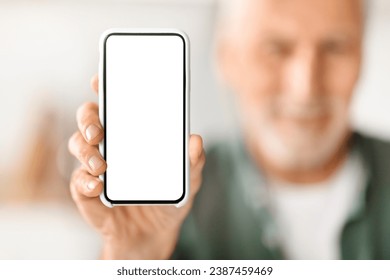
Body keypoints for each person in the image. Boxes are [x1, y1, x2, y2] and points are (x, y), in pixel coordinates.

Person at [68, 0, 390, 259]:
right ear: (226, 59)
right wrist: (134, 258)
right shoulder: (170, 205)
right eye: (276, 48)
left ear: (363, 56)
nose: (305, 88)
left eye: (335, 47)